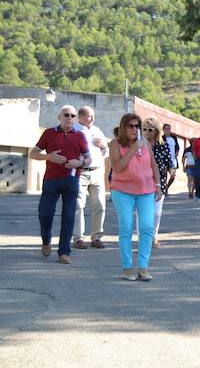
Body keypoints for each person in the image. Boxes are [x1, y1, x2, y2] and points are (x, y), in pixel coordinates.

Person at [29, 105, 92, 264]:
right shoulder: (49, 133)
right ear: (59, 117)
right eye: (66, 115)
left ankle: (64, 252)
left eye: (72, 115)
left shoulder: (80, 136)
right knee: (45, 214)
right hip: (51, 180)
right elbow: (33, 153)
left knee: (69, 216)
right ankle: (46, 241)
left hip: (71, 181)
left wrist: (80, 162)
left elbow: (88, 159)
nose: (69, 118)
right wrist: (49, 157)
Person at [109, 113, 163, 281]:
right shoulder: (115, 144)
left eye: (137, 126)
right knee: (126, 228)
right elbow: (117, 167)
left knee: (147, 228)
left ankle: (143, 267)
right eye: (130, 126)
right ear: (124, 127)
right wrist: (132, 150)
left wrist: (158, 185)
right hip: (122, 191)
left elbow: (153, 165)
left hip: (146, 191)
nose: (134, 129)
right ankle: (127, 268)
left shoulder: (145, 143)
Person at [72, 105, 108, 249]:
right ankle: (78, 238)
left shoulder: (97, 130)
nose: (92, 118)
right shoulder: (74, 131)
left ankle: (97, 237)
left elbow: (107, 152)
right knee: (78, 205)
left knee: (100, 204)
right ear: (80, 117)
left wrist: (103, 146)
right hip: (80, 172)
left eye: (93, 115)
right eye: (88, 115)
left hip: (97, 172)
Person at [142, 117, 174, 249]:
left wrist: (172, 171)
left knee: (156, 213)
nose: (147, 132)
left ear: (156, 131)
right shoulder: (138, 145)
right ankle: (144, 239)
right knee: (143, 213)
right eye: (144, 129)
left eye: (150, 129)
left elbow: (168, 163)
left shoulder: (163, 146)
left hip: (159, 183)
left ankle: (153, 236)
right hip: (141, 182)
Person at [162, 123, 179, 195]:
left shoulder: (173, 137)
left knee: (173, 176)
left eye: (169, 129)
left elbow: (177, 147)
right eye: (166, 129)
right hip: (164, 160)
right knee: (164, 176)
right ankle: (165, 191)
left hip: (172, 159)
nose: (167, 130)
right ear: (163, 130)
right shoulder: (161, 138)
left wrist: (176, 155)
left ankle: (166, 188)